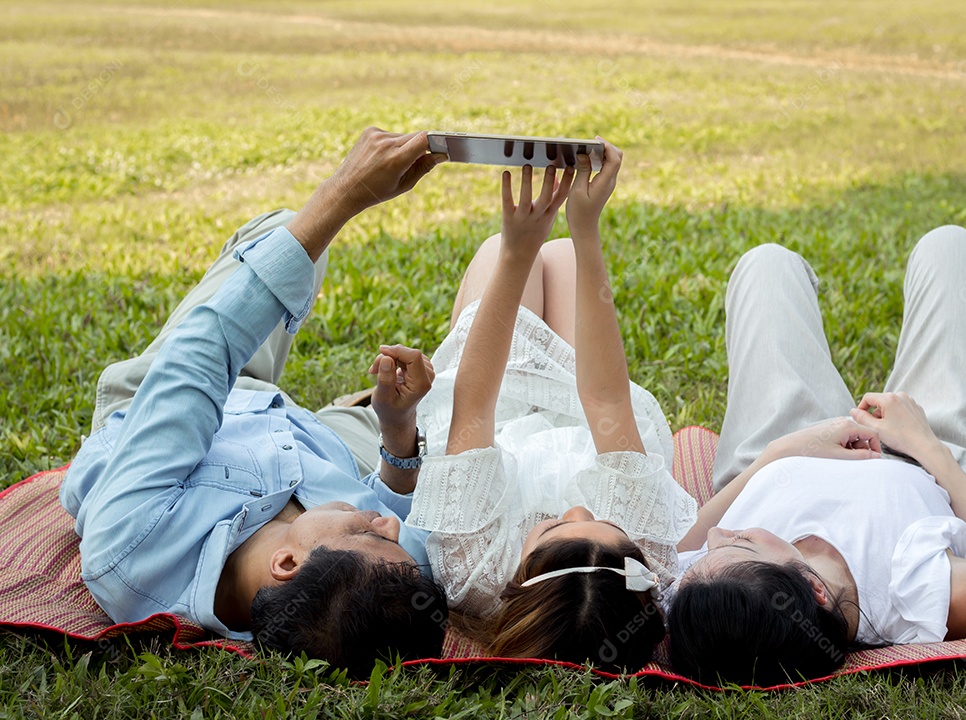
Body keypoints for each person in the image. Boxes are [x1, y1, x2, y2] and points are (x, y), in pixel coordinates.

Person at [60, 128, 450, 677]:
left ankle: (354, 404)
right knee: (455, 414)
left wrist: (345, 193)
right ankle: (364, 409)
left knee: (285, 233)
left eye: (369, 532)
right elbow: (400, 509)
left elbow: (202, 354)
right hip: (309, 436)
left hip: (170, 400)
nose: (390, 527)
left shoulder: (135, 545)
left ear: (286, 563)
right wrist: (398, 430)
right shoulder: (378, 576)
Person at [667, 229, 966, 687]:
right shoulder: (916, 590)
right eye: (741, 541)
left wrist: (779, 452)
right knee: (951, 250)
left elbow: (675, 550)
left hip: (781, 453)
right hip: (935, 470)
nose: (716, 533)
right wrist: (927, 445)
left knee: (766, 266)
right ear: (815, 589)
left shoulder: (709, 594)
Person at [399, 142, 698, 672]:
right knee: (564, 255)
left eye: (556, 527)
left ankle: (514, 253)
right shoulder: (646, 558)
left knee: (502, 249)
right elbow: (606, 398)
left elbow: (475, 405)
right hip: (588, 423)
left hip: (495, 414)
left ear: (515, 579)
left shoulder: (476, 572)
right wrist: (587, 229)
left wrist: (517, 252)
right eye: (601, 521)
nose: (576, 510)